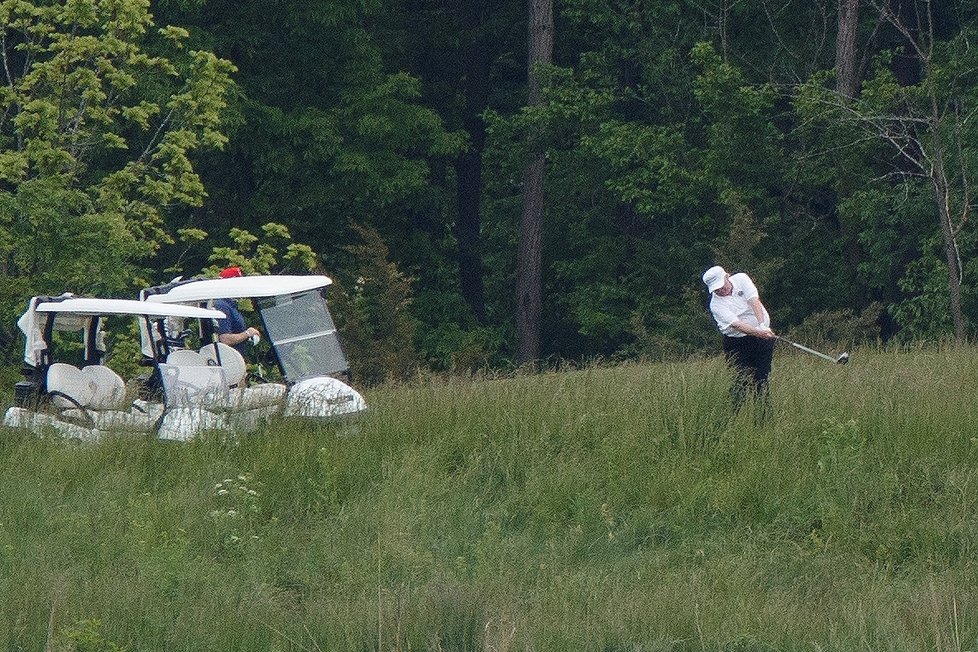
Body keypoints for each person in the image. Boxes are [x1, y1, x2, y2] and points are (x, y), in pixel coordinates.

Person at [702, 265, 776, 408]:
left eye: (721, 285)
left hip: (763, 339)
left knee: (761, 380)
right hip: (737, 344)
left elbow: (754, 300)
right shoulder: (715, 305)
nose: (720, 290)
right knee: (741, 380)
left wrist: (763, 326)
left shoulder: (741, 278)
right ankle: (729, 417)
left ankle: (763, 421)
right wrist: (759, 332)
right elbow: (737, 325)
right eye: (716, 289)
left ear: (726, 277)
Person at [214, 266, 260, 355]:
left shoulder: (230, 305)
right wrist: (247, 333)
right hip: (227, 360)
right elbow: (224, 339)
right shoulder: (222, 305)